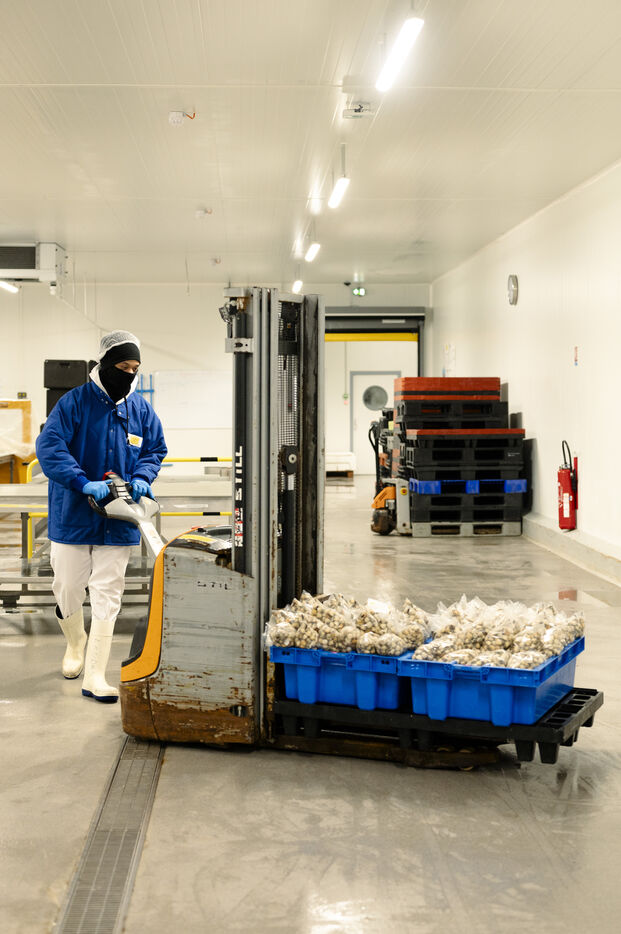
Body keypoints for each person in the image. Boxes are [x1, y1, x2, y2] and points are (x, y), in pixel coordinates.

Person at [36, 330, 167, 703]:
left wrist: (142, 478)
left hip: (120, 518)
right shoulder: (74, 403)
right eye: (123, 366)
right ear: (107, 364)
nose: (130, 374)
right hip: (75, 513)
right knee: (68, 586)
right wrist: (82, 482)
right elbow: (50, 446)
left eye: (135, 367)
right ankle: (75, 642)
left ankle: (95, 675)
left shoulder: (139, 409)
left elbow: (154, 449)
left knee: (108, 591)